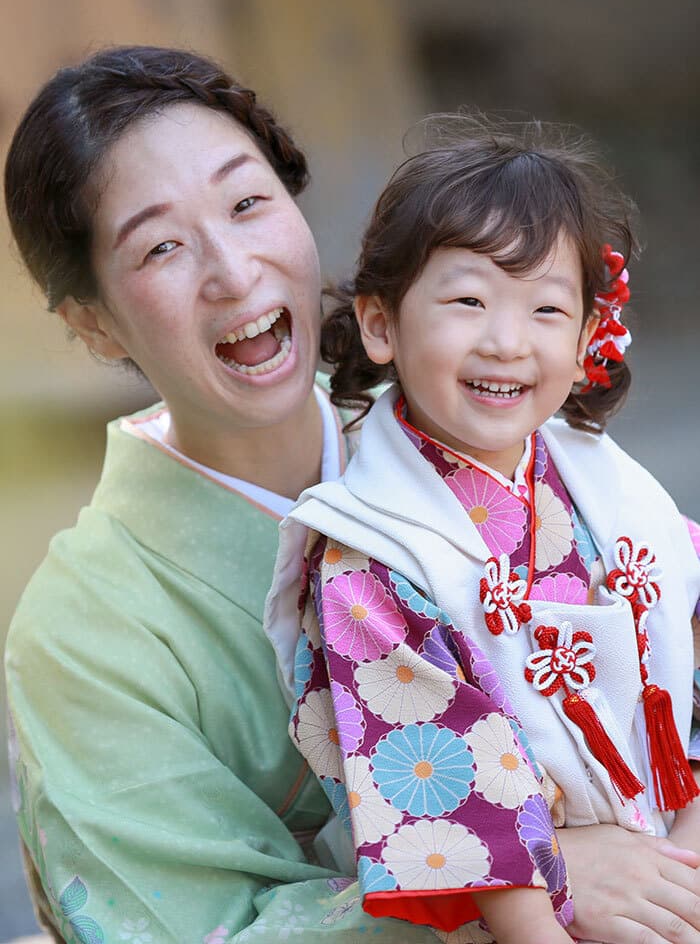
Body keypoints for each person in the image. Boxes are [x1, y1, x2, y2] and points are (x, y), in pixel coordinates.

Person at [3, 45, 440, 943]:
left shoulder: (461, 430)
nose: (235, 274)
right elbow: (198, 928)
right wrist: (526, 874)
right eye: (161, 246)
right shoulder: (83, 634)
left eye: (248, 204)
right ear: (90, 321)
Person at [265, 116, 700, 943]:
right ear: (381, 324)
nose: (506, 341)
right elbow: (443, 784)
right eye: (468, 301)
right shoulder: (369, 550)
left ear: (585, 340)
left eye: (546, 308)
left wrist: (688, 857)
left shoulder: (606, 483)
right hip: (513, 917)